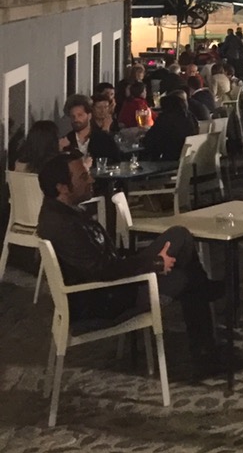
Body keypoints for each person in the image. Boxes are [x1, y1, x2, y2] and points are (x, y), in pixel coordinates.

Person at [36, 152, 222, 376]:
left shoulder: (62, 213)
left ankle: (204, 340)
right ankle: (205, 351)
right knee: (185, 278)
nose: (91, 180)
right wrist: (155, 262)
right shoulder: (65, 226)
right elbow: (104, 270)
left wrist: (150, 260)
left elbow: (106, 261)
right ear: (62, 188)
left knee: (179, 235)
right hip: (107, 300)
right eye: (83, 177)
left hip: (112, 287)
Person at [61, 94, 120, 164]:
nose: (76, 119)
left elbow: (116, 160)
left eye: (80, 115)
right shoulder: (68, 141)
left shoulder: (103, 138)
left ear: (89, 116)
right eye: (73, 116)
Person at [142, 91, 198, 161]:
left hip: (169, 160)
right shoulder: (190, 117)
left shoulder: (165, 119)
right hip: (188, 160)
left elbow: (149, 141)